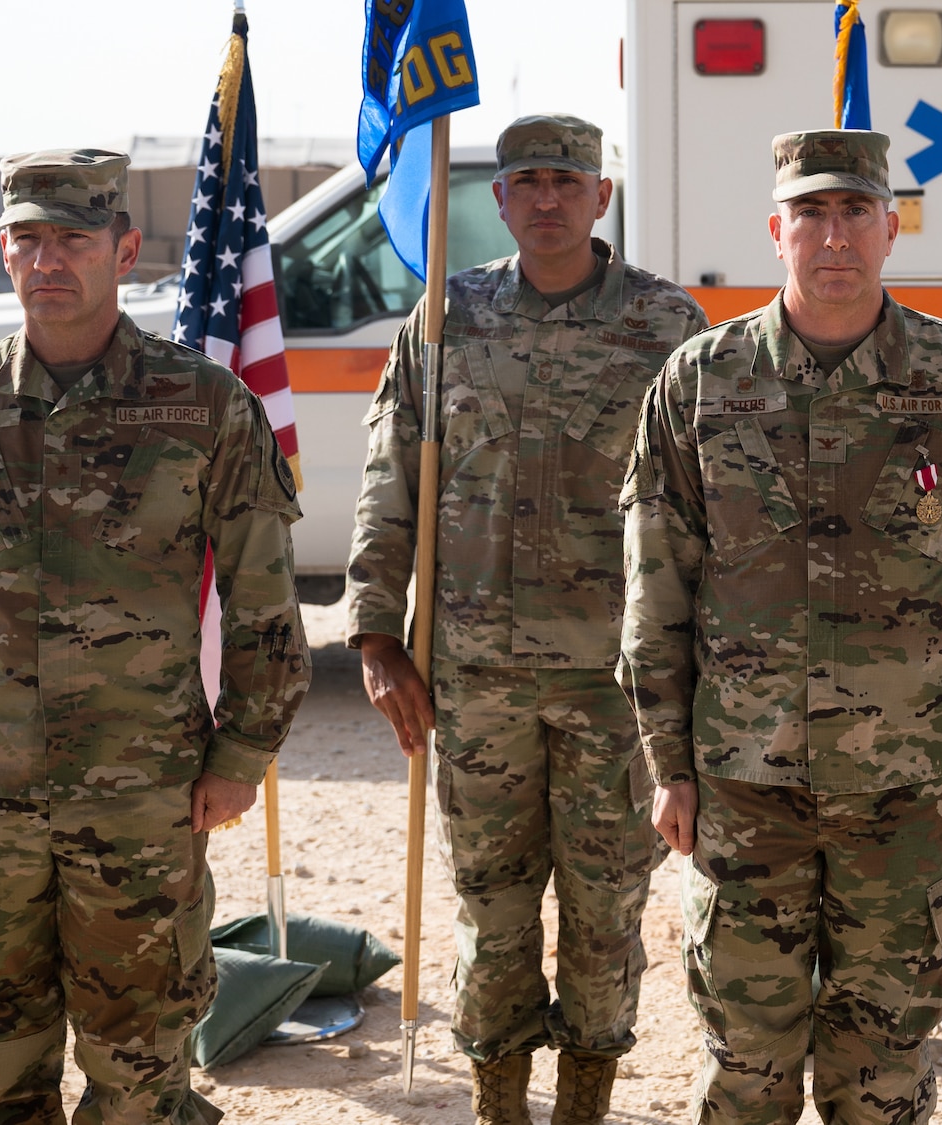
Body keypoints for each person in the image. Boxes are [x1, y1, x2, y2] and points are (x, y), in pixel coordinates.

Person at [0, 149, 308, 1125]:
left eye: (73, 238)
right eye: (28, 237)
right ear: (4, 252)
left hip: (142, 804)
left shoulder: (200, 408)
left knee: (140, 1072)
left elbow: (263, 599)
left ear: (125, 247)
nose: (49, 258)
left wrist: (240, 754)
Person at [618, 130, 942, 1125]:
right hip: (742, 784)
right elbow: (657, 588)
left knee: (882, 1072)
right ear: (775, 232)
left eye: (854, 211)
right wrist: (667, 763)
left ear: (891, 229)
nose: (833, 235)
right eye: (809, 213)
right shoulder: (696, 383)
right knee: (746, 1066)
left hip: (905, 789)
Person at [347, 114, 706, 1125]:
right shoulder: (443, 320)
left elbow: (702, 509)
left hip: (613, 684)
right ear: (496, 202)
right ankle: (499, 1103)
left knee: (605, 916)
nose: (546, 199)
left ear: (601, 198)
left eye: (567, 180)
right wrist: (378, 633)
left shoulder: (666, 328)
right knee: (491, 914)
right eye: (525, 182)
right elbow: (390, 481)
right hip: (475, 677)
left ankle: (583, 1101)